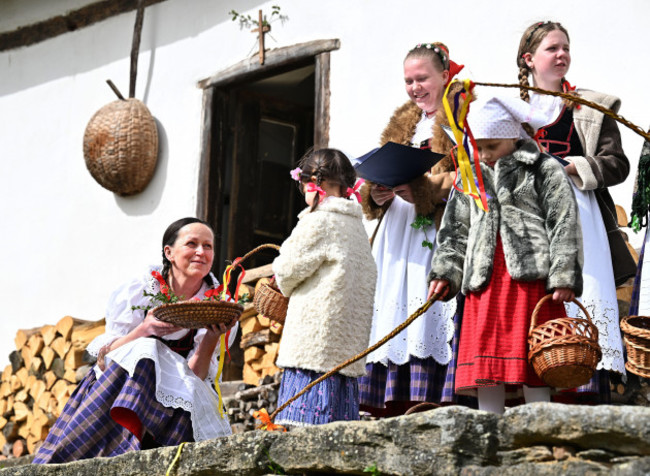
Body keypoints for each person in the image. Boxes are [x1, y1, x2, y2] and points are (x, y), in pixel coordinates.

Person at [34, 218, 238, 463]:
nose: (200, 252)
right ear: (169, 252)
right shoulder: (140, 291)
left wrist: (212, 337)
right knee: (145, 347)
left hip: (171, 407)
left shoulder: (216, 306)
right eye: (192, 244)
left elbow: (194, 377)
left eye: (208, 246)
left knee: (155, 356)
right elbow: (105, 357)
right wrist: (144, 329)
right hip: (118, 390)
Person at [427, 94, 583, 414]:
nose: (484, 155)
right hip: (484, 284)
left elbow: (563, 223)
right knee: (487, 371)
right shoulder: (470, 176)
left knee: (535, 361)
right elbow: (456, 231)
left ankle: (538, 431)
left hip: (528, 281)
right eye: (478, 147)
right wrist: (446, 272)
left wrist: (563, 275)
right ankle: (491, 435)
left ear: (514, 135)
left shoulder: (543, 169)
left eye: (492, 146)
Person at [517, 21, 632, 396]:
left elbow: (617, 163)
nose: (562, 54)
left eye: (565, 47)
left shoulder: (591, 106)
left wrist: (573, 167)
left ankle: (583, 391)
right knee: (534, 300)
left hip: (580, 215)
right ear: (529, 59)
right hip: (529, 216)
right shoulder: (510, 108)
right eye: (553, 48)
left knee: (582, 295)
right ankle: (533, 387)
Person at [357, 42, 463, 416]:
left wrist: (423, 188)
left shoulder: (460, 117)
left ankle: (428, 395)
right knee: (391, 303)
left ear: (444, 76)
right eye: (408, 81)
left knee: (424, 298)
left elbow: (470, 177)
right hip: (396, 228)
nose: (415, 87)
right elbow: (379, 167)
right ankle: (384, 398)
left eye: (422, 78)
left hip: (435, 226)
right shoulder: (404, 120)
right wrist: (379, 192)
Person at [272, 148, 376, 426]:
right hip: (345, 341)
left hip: (315, 341)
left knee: (302, 427)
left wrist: (281, 277)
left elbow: (287, 270)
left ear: (311, 184)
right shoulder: (356, 226)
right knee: (337, 426)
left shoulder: (318, 220)